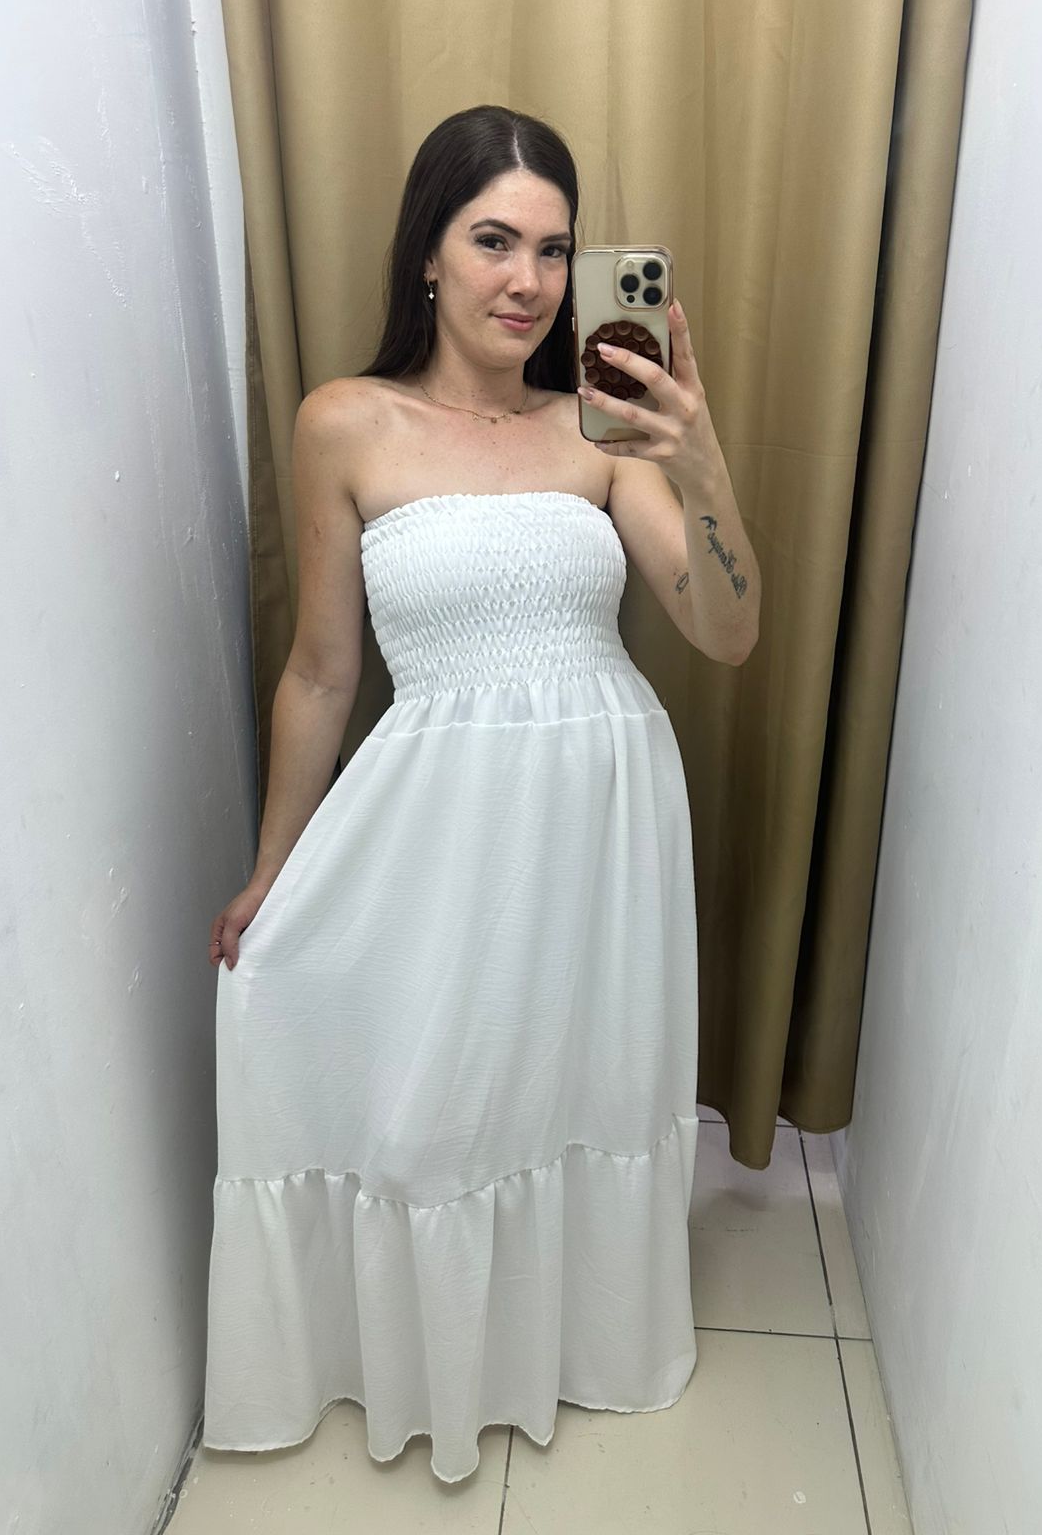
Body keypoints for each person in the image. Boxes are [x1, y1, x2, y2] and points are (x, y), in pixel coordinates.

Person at [202, 104, 760, 1486]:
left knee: (580, 1078)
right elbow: (321, 674)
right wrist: (274, 870)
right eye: (494, 240)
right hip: (439, 820)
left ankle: (572, 1339)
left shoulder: (599, 429)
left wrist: (698, 461)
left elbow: (729, 631)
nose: (530, 280)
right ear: (429, 254)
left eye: (556, 250)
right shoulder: (346, 423)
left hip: (603, 809)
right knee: (438, 1102)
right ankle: (429, 1355)